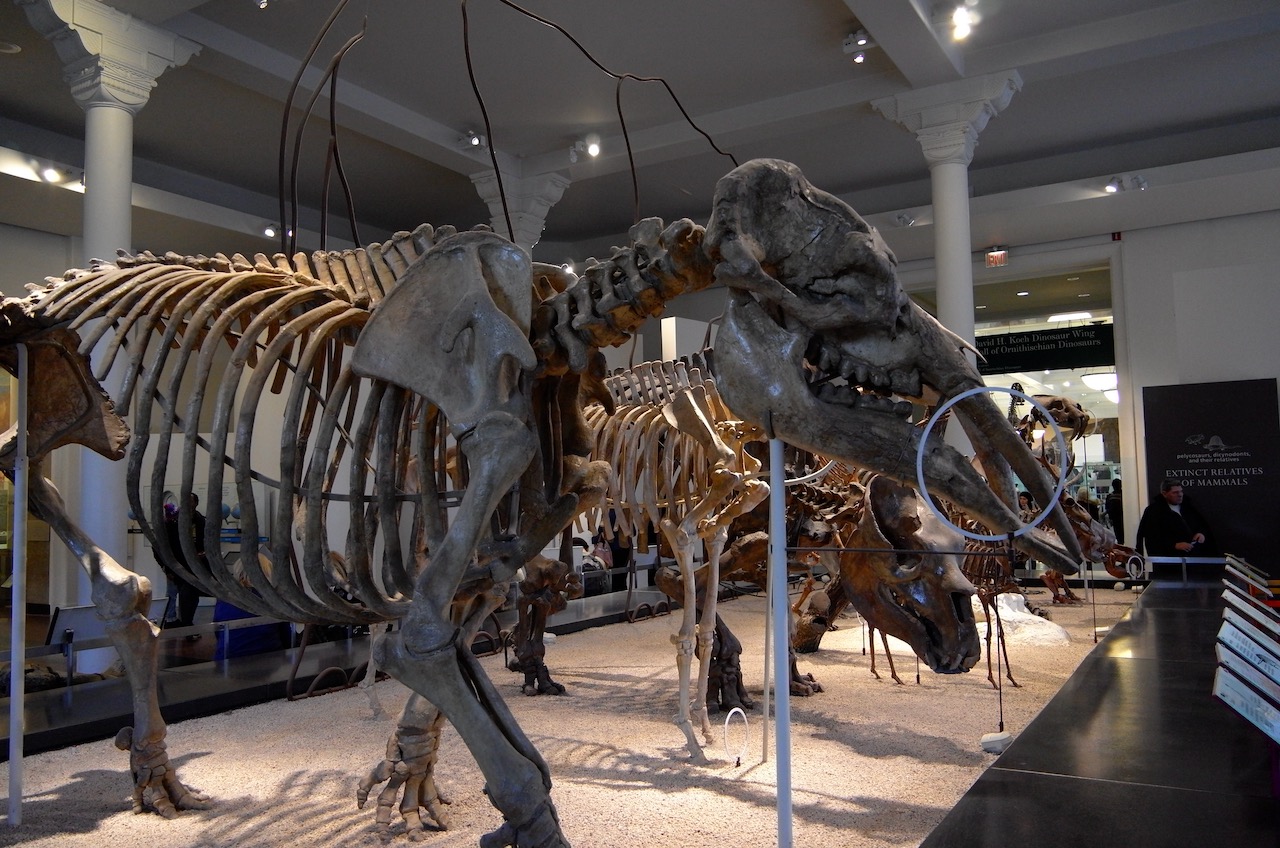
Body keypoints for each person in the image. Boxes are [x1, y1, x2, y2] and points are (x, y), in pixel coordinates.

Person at [160, 492, 209, 635]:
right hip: (175, 565)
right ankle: (170, 621)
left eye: (191, 501)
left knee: (190, 594)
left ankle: (186, 623)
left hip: (194, 566)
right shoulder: (173, 521)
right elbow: (163, 545)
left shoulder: (200, 520)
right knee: (172, 593)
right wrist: (167, 567)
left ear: (196, 504)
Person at [1135, 479, 1216, 561]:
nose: (1180, 495)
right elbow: (1151, 537)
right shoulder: (1153, 511)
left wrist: (1201, 533)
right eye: (1175, 492)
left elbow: (1201, 524)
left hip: (1194, 559)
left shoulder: (1188, 507)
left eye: (1181, 491)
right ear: (1164, 494)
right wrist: (1174, 545)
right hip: (1168, 561)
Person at [1105, 479, 1124, 544]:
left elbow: (1107, 508)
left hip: (1115, 519)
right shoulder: (1124, 495)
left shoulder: (1110, 496)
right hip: (1123, 518)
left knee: (1118, 536)